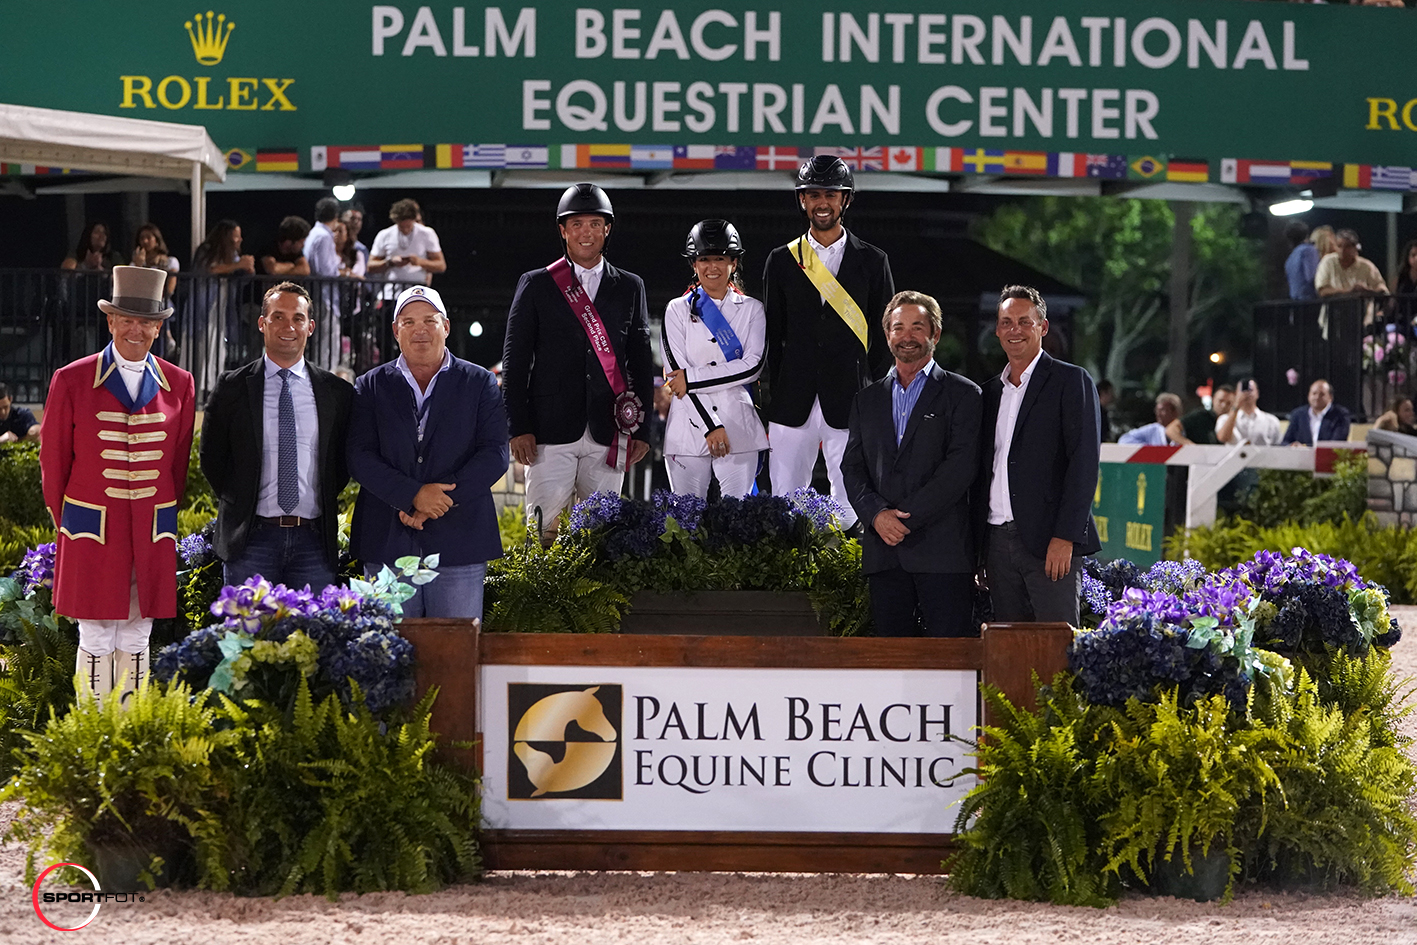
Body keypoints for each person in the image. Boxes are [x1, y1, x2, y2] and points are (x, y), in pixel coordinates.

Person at [40, 266, 195, 702]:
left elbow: (176, 466)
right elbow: (53, 463)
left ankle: (130, 732)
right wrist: (68, 518)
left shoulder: (180, 384)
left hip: (150, 530)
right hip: (92, 528)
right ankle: (92, 736)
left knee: (136, 634)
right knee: (95, 635)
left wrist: (156, 509)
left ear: (159, 326)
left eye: (146, 321)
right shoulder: (71, 379)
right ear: (110, 321)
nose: (136, 329)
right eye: (126, 318)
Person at [502, 183, 654, 542]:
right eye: (577, 224)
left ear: (607, 229)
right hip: (549, 430)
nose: (586, 232)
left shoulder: (631, 286)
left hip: (610, 428)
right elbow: (515, 359)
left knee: (600, 536)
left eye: (594, 224)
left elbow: (641, 362)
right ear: (563, 230)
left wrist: (643, 429)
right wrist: (517, 425)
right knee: (544, 531)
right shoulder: (537, 284)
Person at [347, 285, 509, 619]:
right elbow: (359, 456)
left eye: (429, 320)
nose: (420, 329)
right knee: (389, 658)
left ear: (446, 326)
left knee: (454, 659)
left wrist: (436, 500)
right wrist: (412, 496)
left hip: (459, 543)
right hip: (387, 542)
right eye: (408, 321)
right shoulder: (369, 385)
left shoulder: (479, 383)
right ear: (395, 331)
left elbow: (494, 454)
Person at [762, 156, 895, 530]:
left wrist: (872, 391)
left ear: (846, 200)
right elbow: (773, 334)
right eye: (814, 194)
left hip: (851, 398)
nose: (823, 202)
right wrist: (775, 389)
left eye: (831, 194)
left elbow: (886, 334)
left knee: (851, 498)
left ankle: (844, 582)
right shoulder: (781, 261)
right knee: (783, 500)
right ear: (802, 200)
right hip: (792, 398)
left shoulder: (873, 260)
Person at [841, 290, 981, 637]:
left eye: (917, 327)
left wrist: (904, 519)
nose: (907, 336)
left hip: (943, 555)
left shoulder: (964, 394)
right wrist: (876, 515)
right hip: (884, 555)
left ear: (934, 334)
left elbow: (960, 467)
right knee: (892, 664)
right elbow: (853, 468)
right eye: (898, 327)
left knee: (949, 666)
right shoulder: (866, 400)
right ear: (887, 334)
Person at [200, 282, 353, 590]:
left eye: (297, 318)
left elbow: (341, 464)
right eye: (278, 316)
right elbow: (212, 459)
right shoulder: (231, 387)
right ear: (262, 323)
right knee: (245, 637)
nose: (289, 326)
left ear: (310, 327)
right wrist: (241, 499)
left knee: (312, 637)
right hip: (250, 542)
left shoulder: (337, 393)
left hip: (313, 545)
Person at [975, 285, 1101, 625]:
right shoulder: (987, 393)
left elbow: (1084, 463)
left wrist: (1066, 536)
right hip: (996, 543)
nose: (1014, 330)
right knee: (1008, 653)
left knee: (1056, 652)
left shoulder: (1071, 381)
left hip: (1051, 542)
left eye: (1024, 321)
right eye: (1006, 322)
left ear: (1042, 327)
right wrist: (981, 551)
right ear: (997, 330)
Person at [660, 220, 767, 499]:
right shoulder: (675, 310)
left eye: (720, 259)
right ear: (694, 264)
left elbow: (753, 366)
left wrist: (692, 378)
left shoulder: (754, 310)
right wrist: (711, 426)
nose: (712, 267)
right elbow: (675, 375)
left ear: (733, 262)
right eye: (704, 259)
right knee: (685, 526)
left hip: (740, 430)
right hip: (687, 429)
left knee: (738, 527)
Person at [187, 220, 255, 396]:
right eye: (236, 236)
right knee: (201, 348)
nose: (239, 240)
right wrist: (239, 265)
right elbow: (209, 269)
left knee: (217, 350)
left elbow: (240, 279)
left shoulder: (231, 255)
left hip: (221, 310)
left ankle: (211, 388)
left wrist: (248, 270)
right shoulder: (207, 250)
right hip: (204, 308)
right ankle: (196, 391)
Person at [369, 199, 446, 287]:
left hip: (417, 291)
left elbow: (441, 266)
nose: (405, 230)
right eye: (401, 227)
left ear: (414, 219)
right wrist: (389, 262)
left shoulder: (427, 233)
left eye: (408, 226)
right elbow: (370, 266)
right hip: (391, 292)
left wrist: (419, 261)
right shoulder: (384, 234)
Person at [1316, 229, 1390, 298]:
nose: (1342, 250)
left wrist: (1368, 291)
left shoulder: (1366, 266)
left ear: (1355, 247)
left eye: (1347, 246)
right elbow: (1322, 291)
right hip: (1333, 311)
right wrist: (1350, 292)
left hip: (1362, 311)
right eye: (1339, 246)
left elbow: (1382, 288)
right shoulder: (1328, 262)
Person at [1282, 379, 1352, 445]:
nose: (1317, 397)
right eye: (1314, 393)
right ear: (1309, 395)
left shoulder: (1340, 415)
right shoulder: (1298, 414)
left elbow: (1337, 443)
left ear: (1330, 397)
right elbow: (1285, 442)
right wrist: (1292, 445)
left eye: (1322, 394)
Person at [1216, 378, 1283, 446]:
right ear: (1236, 394)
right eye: (1243, 390)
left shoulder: (1271, 420)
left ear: (1257, 393)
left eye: (1250, 390)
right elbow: (1223, 438)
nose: (1247, 393)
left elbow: (1278, 446)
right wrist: (1236, 407)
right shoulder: (1225, 419)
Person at [1118, 393, 1185, 446]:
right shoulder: (1152, 430)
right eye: (1157, 410)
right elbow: (1124, 440)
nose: (1158, 414)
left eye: (1162, 410)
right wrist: (1149, 449)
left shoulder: (1186, 429)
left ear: (1175, 412)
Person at [1284, 220, 1319, 302]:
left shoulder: (1291, 256)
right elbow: (1312, 276)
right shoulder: (1309, 250)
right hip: (1309, 300)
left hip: (1294, 300)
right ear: (1306, 234)